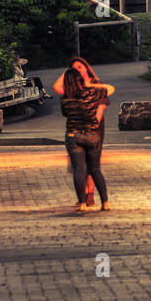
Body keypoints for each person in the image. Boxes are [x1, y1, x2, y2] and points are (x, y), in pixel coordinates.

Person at [60, 65, 114, 213]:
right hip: (92, 134)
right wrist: (88, 83)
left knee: (79, 169)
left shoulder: (66, 98)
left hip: (73, 135)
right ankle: (105, 202)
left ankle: (82, 204)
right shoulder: (92, 92)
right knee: (95, 169)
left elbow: (65, 113)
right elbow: (109, 89)